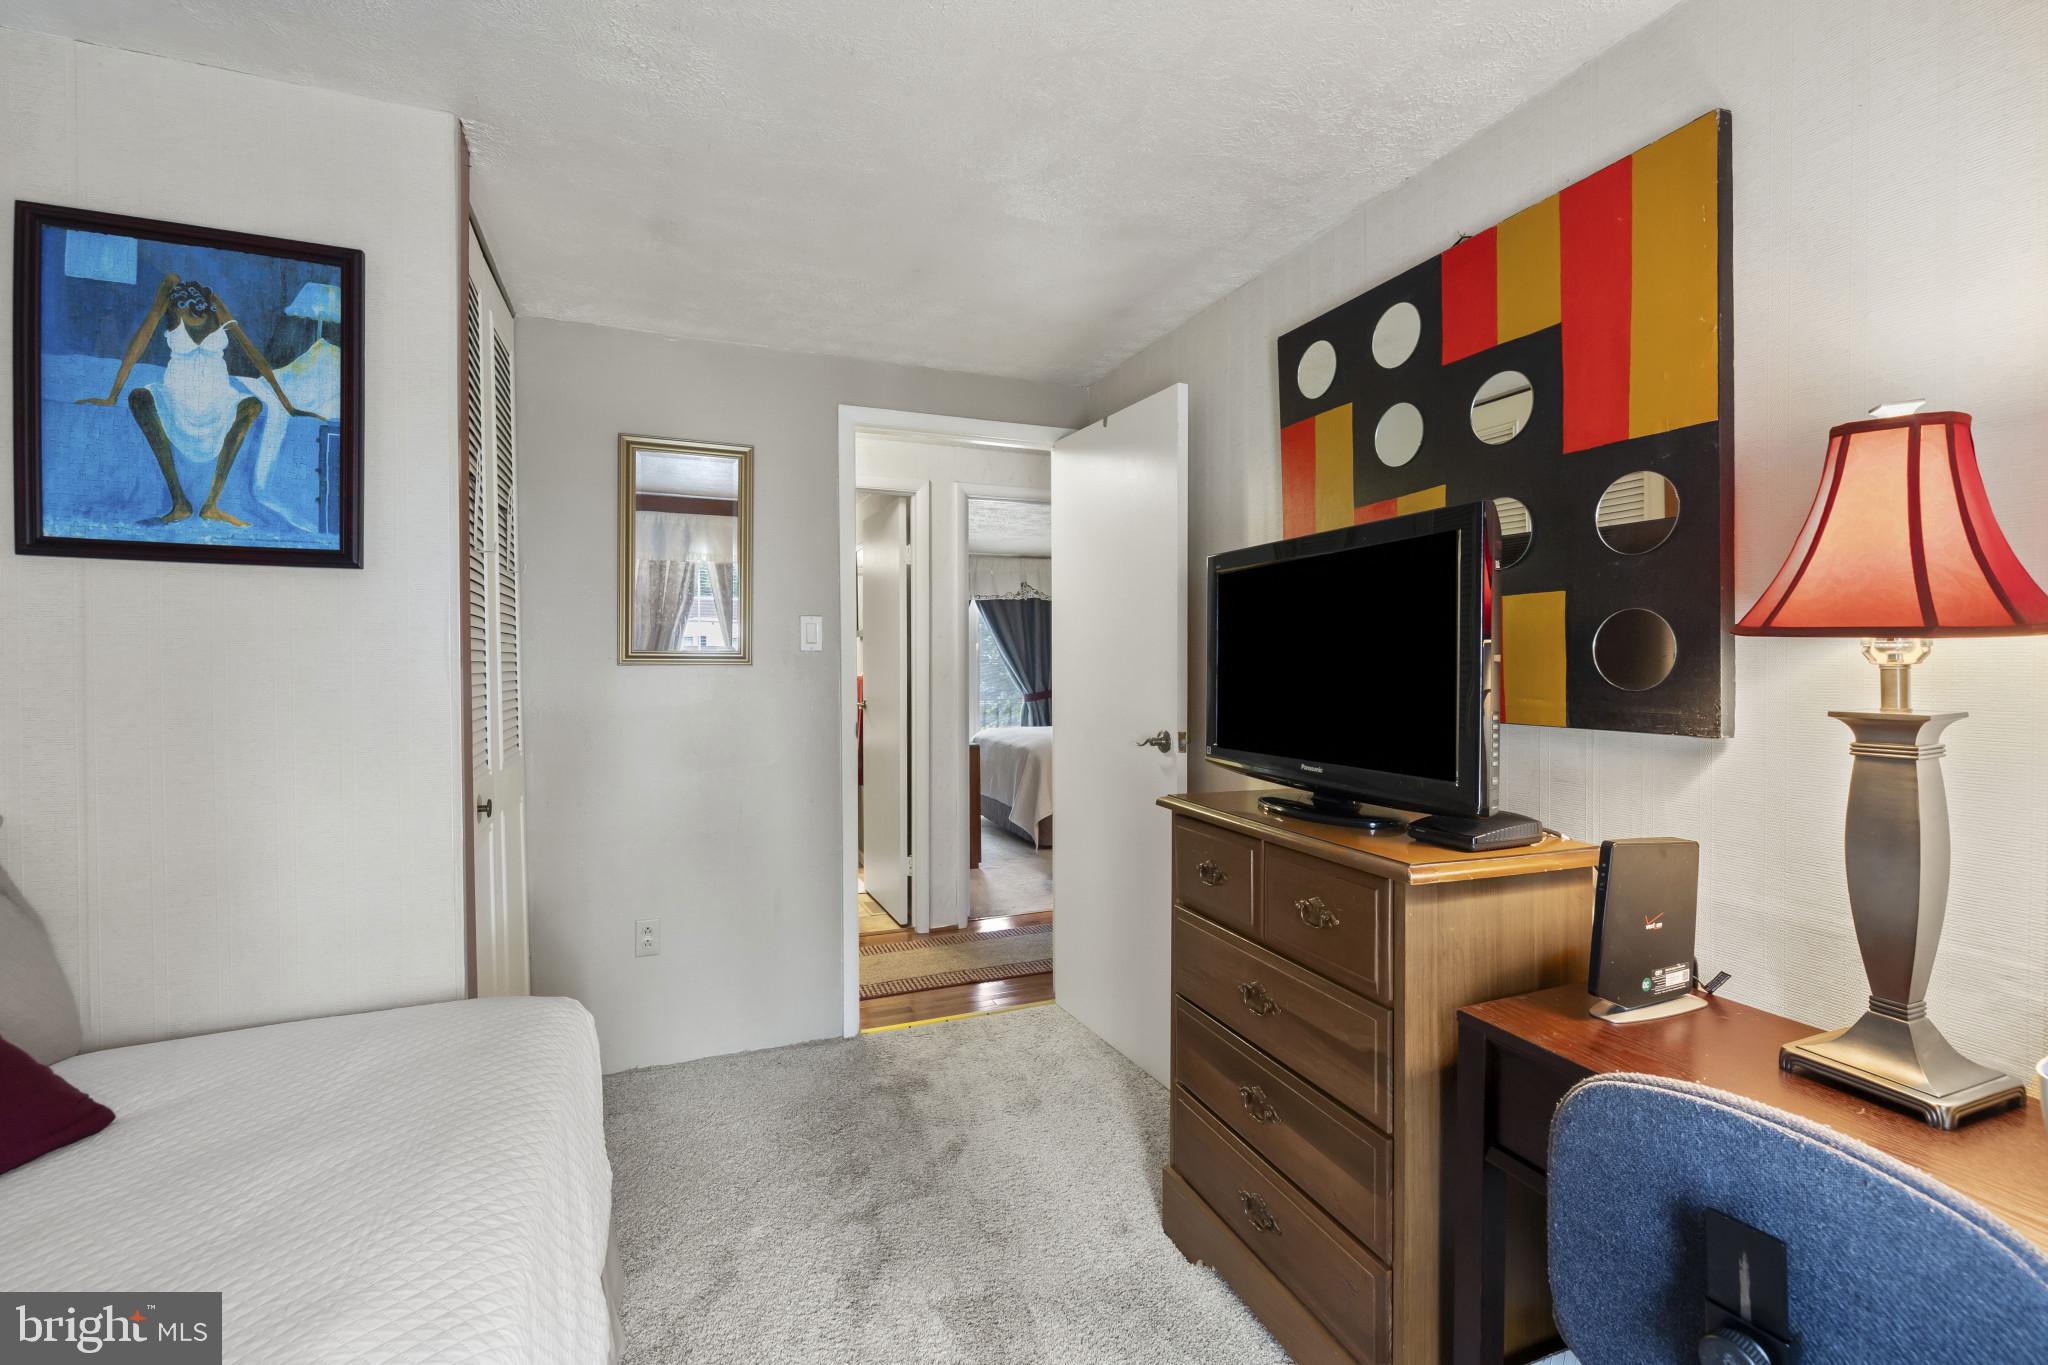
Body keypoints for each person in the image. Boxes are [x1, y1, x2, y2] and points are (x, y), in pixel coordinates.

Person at [77, 274, 320, 526]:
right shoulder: (170, 300)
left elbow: (253, 353)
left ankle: (211, 504)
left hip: (218, 396)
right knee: (139, 397)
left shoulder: (215, 303)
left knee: (253, 406)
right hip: (177, 394)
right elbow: (138, 344)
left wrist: (287, 404)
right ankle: (179, 502)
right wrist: (112, 396)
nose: (193, 310)